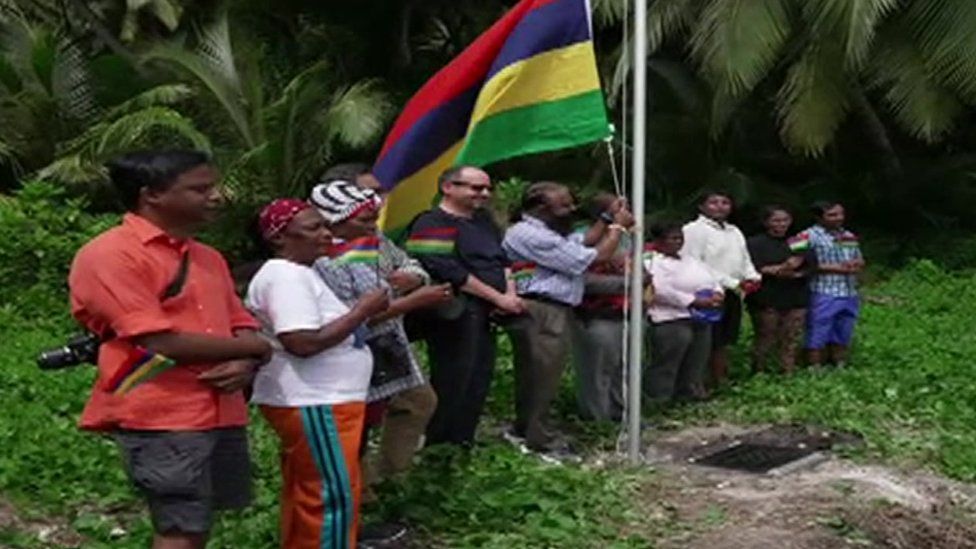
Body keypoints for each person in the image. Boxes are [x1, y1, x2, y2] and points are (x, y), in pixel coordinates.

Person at [68, 150, 272, 549]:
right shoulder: (111, 254)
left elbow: (241, 322)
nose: (215, 196)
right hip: (161, 410)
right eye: (200, 189)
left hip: (217, 407)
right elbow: (156, 340)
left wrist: (247, 357)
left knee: (198, 521)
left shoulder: (207, 257)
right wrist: (255, 348)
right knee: (178, 523)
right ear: (152, 196)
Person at [246, 199, 389, 549]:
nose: (326, 234)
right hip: (316, 400)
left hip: (324, 400)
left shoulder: (300, 273)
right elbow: (301, 342)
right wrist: (362, 311)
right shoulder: (285, 276)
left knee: (311, 492)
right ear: (279, 237)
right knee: (331, 499)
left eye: (326, 226)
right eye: (314, 228)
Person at [308, 178, 450, 483]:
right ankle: (365, 489)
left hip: (389, 343)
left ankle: (389, 476)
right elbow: (351, 319)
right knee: (359, 422)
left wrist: (415, 279)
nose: (373, 224)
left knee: (418, 401)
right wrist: (414, 301)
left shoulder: (375, 241)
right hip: (354, 350)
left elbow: (409, 263)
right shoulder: (322, 261)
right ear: (335, 223)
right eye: (364, 219)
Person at [502, 182, 634, 453]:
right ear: (540, 207)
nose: (572, 209)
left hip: (552, 310)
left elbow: (581, 242)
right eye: (563, 205)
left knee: (543, 374)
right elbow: (590, 258)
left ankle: (528, 430)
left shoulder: (546, 231)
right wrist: (618, 227)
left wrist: (607, 218)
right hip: (541, 310)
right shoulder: (528, 234)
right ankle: (537, 439)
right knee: (541, 376)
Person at [404, 165, 522, 447]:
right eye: (475, 188)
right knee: (453, 380)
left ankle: (462, 441)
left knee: (478, 380)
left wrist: (509, 295)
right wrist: (497, 298)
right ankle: (439, 446)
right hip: (456, 314)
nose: (483, 194)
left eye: (487, 189)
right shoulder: (431, 222)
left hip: (489, 314)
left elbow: (502, 261)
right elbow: (446, 269)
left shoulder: (484, 222)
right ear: (448, 187)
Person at [681, 190, 761, 386]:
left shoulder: (734, 231)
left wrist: (752, 277)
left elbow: (744, 259)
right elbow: (695, 263)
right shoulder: (694, 230)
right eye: (713, 202)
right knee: (707, 340)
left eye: (725, 202)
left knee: (724, 339)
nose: (720, 206)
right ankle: (700, 382)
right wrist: (731, 282)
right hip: (706, 292)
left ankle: (720, 379)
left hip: (732, 292)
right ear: (702, 206)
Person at [645, 222, 723, 404]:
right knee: (668, 360)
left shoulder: (691, 259)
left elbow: (711, 277)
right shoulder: (652, 261)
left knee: (697, 358)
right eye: (673, 238)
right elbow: (660, 289)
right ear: (659, 241)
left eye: (680, 238)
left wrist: (717, 292)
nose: (678, 242)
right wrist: (692, 300)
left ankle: (690, 393)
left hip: (700, 316)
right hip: (670, 317)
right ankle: (658, 397)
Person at [573, 193, 631, 422]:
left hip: (626, 311)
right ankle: (597, 418)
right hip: (596, 313)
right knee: (597, 368)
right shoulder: (580, 235)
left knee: (623, 366)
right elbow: (583, 277)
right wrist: (625, 283)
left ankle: (621, 412)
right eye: (620, 207)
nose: (627, 211)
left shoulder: (628, 235)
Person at [793, 201, 865, 369]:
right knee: (818, 329)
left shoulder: (847, 235)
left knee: (844, 329)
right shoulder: (806, 235)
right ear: (819, 217)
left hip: (849, 290)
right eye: (832, 215)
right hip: (823, 290)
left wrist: (856, 264)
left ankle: (839, 363)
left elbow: (859, 258)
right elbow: (796, 261)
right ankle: (814, 366)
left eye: (840, 214)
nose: (838, 218)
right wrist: (834, 268)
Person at [746, 206, 812, 374]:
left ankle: (787, 370)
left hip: (795, 295)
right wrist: (780, 269)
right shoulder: (755, 243)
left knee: (790, 336)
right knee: (766, 336)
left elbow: (810, 264)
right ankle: (759, 371)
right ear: (766, 222)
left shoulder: (797, 241)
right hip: (766, 297)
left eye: (785, 220)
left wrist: (797, 271)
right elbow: (752, 268)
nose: (781, 224)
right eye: (776, 220)